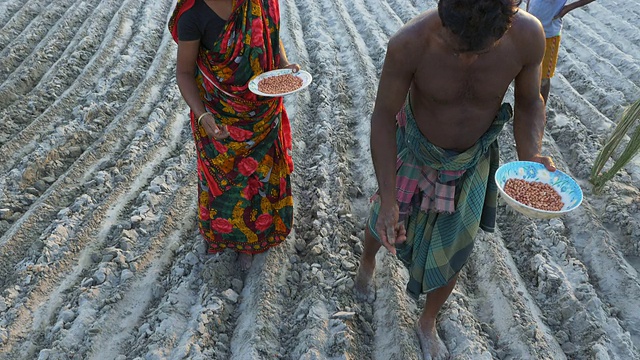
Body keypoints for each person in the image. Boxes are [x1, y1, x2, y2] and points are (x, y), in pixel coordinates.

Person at [353, 0, 556, 359]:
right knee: (383, 220)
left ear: (504, 29)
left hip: (471, 160)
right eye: (456, 47)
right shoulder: (410, 43)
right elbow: (383, 117)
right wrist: (388, 200)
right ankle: (368, 260)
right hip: (415, 149)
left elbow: (529, 101)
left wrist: (530, 158)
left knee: (455, 249)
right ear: (444, 17)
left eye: (477, 51)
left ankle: (427, 322)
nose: (465, 60)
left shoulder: (528, 36)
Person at [168, 0, 300, 271]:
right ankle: (233, 241)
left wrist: (283, 64)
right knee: (227, 183)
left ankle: (261, 236)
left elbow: (269, 35)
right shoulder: (193, 15)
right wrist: (203, 116)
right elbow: (183, 73)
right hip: (219, 116)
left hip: (263, 111)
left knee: (262, 178)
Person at [526, 0, 596, 104]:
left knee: (543, 77)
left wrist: (567, 9)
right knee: (526, 71)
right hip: (529, 28)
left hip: (549, 35)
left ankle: (540, 111)